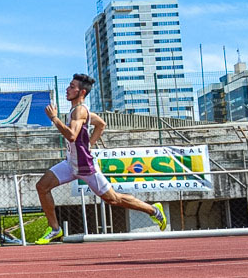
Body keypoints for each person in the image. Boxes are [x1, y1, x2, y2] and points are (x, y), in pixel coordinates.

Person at [35, 73, 167, 243]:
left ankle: (154, 210)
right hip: (70, 163)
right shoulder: (77, 111)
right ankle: (55, 229)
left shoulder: (80, 110)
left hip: (85, 167)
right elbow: (101, 124)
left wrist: (54, 118)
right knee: (42, 186)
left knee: (114, 199)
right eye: (69, 85)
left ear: (81, 92)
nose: (67, 89)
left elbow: (72, 136)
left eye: (72, 87)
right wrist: (90, 143)